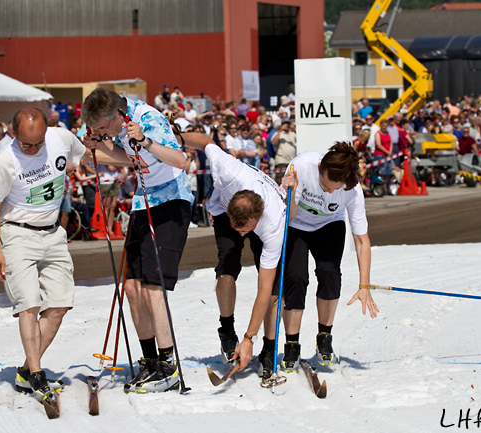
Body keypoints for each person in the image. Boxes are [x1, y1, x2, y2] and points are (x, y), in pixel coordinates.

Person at [81, 88, 193, 393]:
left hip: (171, 201)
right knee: (131, 287)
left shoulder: (149, 119)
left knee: (153, 288)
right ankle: (150, 362)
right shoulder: (110, 124)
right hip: (144, 202)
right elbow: (125, 157)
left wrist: (145, 140)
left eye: (104, 128)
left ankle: (169, 366)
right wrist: (93, 146)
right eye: (97, 130)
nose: (102, 133)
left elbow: (181, 160)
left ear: (119, 115)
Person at [0, 108, 87, 403]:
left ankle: (26, 370)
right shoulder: (6, 159)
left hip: (53, 234)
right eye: (26, 144)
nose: (32, 149)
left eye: (38, 143)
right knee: (29, 304)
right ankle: (37, 375)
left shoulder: (60, 138)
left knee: (59, 305)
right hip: (17, 234)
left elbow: (89, 151)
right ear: (13, 133)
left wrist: (131, 159)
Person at [182, 134, 287, 379]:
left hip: (263, 218)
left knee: (273, 290)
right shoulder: (227, 170)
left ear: (256, 220)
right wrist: (176, 136)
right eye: (237, 227)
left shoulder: (273, 225)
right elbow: (205, 141)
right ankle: (227, 330)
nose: (240, 233)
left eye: (244, 230)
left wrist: (250, 337)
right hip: (226, 210)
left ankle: (269, 348)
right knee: (227, 266)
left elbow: (264, 289)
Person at [279, 142, 379, 370]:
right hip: (297, 225)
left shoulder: (352, 190)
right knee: (295, 278)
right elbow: (289, 217)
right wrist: (290, 191)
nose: (330, 193)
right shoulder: (302, 166)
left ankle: (324, 338)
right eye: (325, 186)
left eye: (336, 189)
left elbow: (362, 239)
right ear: (319, 168)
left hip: (329, 225)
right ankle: (292, 344)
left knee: (329, 273)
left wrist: (365, 285)